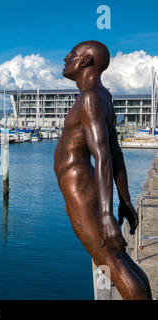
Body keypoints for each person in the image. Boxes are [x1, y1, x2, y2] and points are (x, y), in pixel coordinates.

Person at [54, 41, 152, 300]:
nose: (66, 58)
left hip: (80, 189)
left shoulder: (89, 99)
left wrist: (108, 215)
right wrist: (125, 200)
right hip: (82, 189)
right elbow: (115, 151)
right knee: (119, 260)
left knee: (110, 262)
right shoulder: (102, 96)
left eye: (72, 55)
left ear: (85, 60)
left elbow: (104, 155)